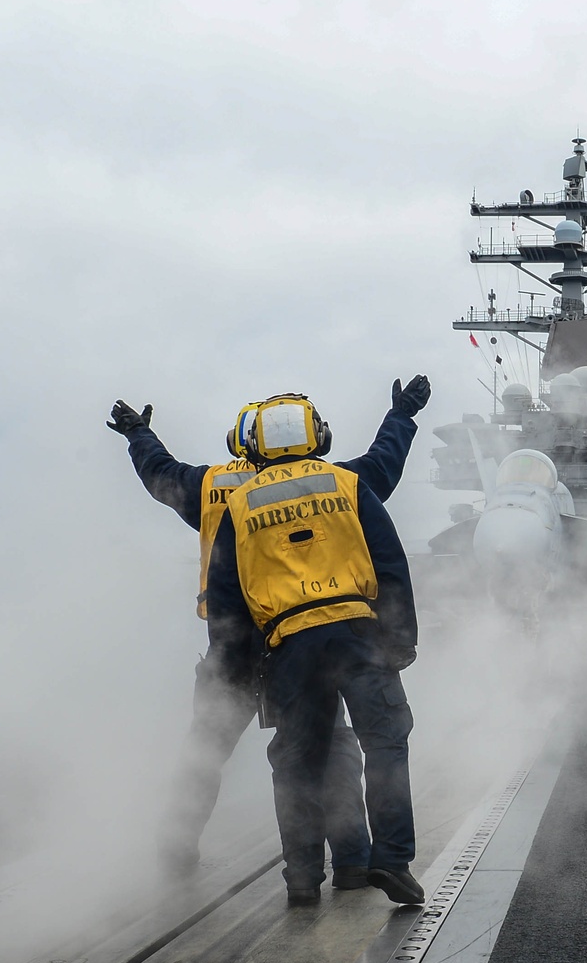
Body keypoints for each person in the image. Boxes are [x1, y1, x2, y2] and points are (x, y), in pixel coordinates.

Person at [108, 376, 430, 879]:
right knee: (332, 744)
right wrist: (401, 416)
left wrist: (137, 435)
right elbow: (381, 467)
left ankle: (178, 846)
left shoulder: (213, 488)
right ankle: (352, 860)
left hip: (236, 645)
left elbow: (161, 475)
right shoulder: (332, 480)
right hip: (305, 636)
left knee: (208, 749)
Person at [207, 392, 424, 908]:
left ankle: (302, 878)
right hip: (358, 635)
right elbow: (390, 563)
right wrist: (400, 640)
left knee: (298, 762)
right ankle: (391, 860)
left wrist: (236, 672)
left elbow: (227, 601)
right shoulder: (346, 484)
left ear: (253, 446)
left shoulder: (239, 505)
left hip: (289, 647)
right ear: (318, 436)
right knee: (385, 744)